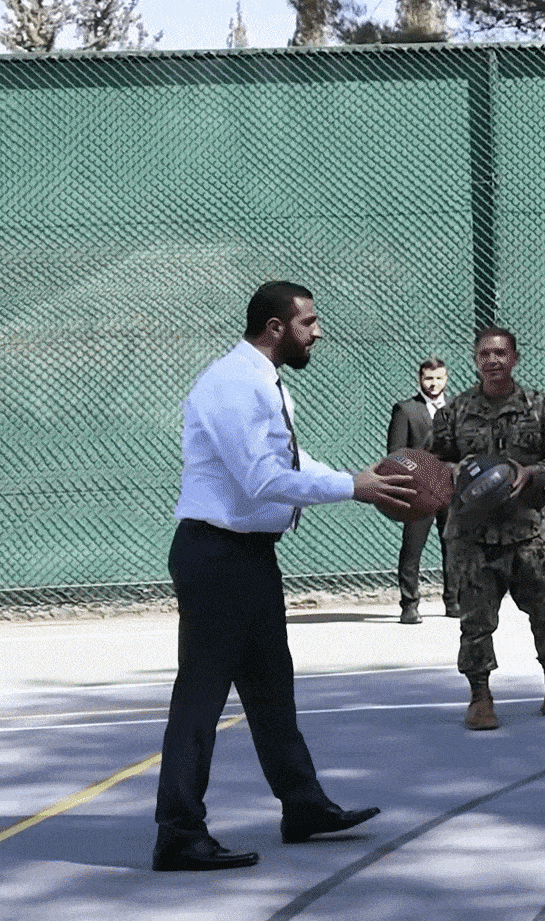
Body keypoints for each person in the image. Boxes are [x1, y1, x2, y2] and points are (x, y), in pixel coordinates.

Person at [153, 281, 421, 871]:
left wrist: (359, 477)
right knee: (200, 698)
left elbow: (290, 465)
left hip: (247, 556)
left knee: (273, 687)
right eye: (309, 323)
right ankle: (177, 832)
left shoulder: (263, 382)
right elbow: (262, 480)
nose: (317, 332)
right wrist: (355, 486)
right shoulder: (233, 384)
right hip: (215, 556)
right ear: (276, 328)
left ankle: (302, 806)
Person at [428, 325, 545, 731]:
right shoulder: (453, 413)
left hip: (529, 532)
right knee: (475, 621)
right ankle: (480, 698)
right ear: (475, 360)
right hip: (472, 536)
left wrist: (532, 471)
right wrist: (460, 473)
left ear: (515, 358)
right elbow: (434, 463)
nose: (492, 360)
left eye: (501, 353)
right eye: (485, 354)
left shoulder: (540, 408)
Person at [387, 358, 459, 622]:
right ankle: (409, 604)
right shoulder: (405, 410)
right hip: (419, 493)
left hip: (450, 491)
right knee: (412, 548)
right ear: (420, 379)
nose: (434, 384)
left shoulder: (456, 408)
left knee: (452, 546)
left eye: (439, 378)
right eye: (429, 378)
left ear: (446, 379)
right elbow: (396, 454)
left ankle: (453, 602)